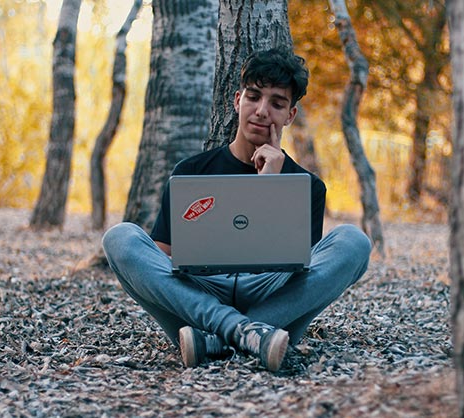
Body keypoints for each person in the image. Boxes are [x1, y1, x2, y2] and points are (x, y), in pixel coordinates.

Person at [102, 48, 371, 372]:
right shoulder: (191, 172)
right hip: (201, 297)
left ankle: (216, 340)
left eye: (276, 103)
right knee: (120, 238)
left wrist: (271, 187)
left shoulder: (306, 186)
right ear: (237, 101)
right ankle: (245, 332)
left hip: (272, 300)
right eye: (254, 97)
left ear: (290, 115)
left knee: (355, 241)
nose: (261, 111)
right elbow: (160, 261)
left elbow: (300, 276)